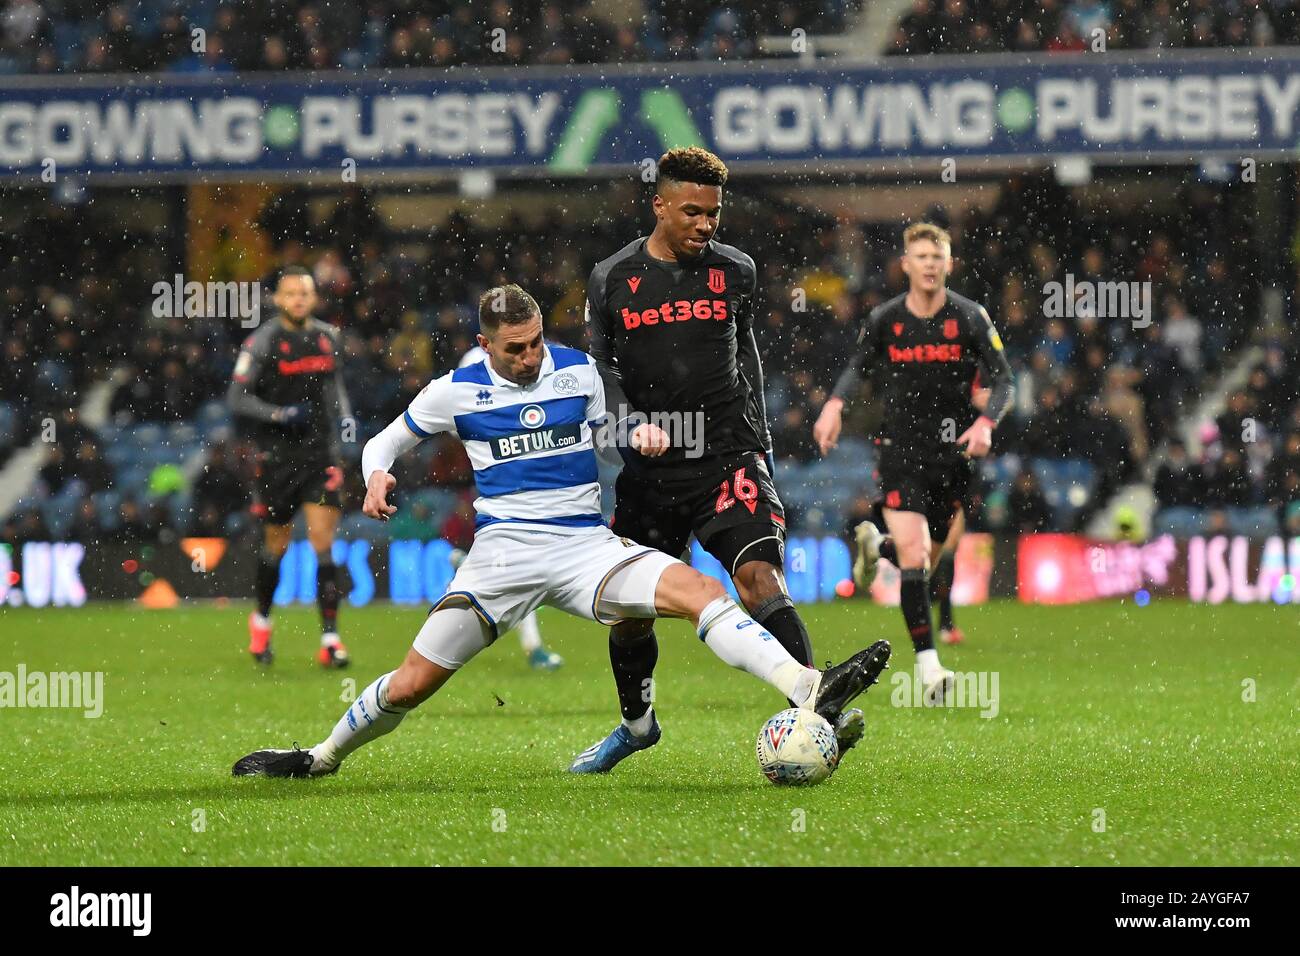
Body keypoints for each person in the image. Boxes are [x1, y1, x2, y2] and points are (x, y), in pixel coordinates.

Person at [232, 284, 889, 779]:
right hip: (500, 561)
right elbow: (381, 443)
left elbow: (623, 416)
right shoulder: (455, 390)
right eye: (514, 348)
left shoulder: (576, 369)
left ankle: (808, 685)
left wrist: (642, 430)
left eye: (536, 341)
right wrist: (375, 476)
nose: (529, 357)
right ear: (485, 344)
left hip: (583, 547)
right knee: (411, 684)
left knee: (696, 590)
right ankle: (320, 757)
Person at [578, 146, 869, 773]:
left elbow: (746, 352)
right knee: (629, 617)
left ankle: (817, 709)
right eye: (692, 212)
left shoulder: (736, 270)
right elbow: (599, 366)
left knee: (759, 577)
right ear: (658, 205)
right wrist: (630, 423)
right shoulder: (612, 278)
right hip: (652, 470)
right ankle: (636, 725)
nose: (706, 225)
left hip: (726, 456)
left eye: (713, 213)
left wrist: (757, 438)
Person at [814, 223, 1013, 702]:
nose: (929, 264)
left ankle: (873, 546)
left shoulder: (971, 317)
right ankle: (929, 668)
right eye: (920, 256)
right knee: (917, 554)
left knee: (925, 560)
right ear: (905, 264)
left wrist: (986, 423)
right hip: (900, 451)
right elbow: (857, 368)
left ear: (950, 264)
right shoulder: (885, 319)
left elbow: (1005, 380)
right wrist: (835, 405)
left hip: (955, 457)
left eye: (937, 256)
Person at [228, 266, 352, 669]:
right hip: (276, 459)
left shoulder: (327, 337)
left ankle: (330, 640)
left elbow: (336, 393)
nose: (299, 299)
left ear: (314, 299)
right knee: (276, 547)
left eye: (305, 293)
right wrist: (280, 414)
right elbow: (238, 398)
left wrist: (345, 433)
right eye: (291, 293)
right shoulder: (263, 341)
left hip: (318, 457)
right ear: (278, 299)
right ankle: (261, 623)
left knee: (322, 541)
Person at [453, 344, 564, 672]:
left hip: (531, 468)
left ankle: (469, 564)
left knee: (520, 559)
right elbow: (456, 416)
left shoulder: (540, 355)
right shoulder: (473, 362)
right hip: (496, 473)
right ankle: (534, 648)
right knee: (521, 557)